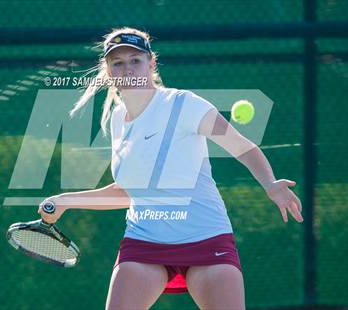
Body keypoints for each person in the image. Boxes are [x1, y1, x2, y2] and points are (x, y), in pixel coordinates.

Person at [38, 27, 304, 310]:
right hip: (144, 242)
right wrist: (64, 201)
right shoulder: (118, 120)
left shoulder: (183, 104)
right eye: (118, 63)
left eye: (135, 60)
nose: (128, 69)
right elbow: (129, 192)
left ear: (151, 64)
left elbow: (242, 147)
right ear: (108, 71)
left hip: (207, 238)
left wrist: (270, 183)